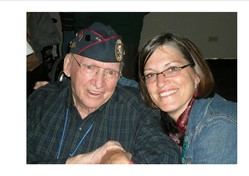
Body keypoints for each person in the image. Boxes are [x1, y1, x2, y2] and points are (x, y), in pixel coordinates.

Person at [27, 22, 181, 164]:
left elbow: (166, 156)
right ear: (68, 65)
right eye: (89, 68)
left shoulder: (136, 109)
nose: (99, 83)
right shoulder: (41, 100)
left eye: (110, 72)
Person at [138, 32, 237, 164]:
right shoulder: (170, 126)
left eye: (172, 68)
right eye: (150, 74)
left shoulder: (219, 125)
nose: (160, 82)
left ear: (197, 75)